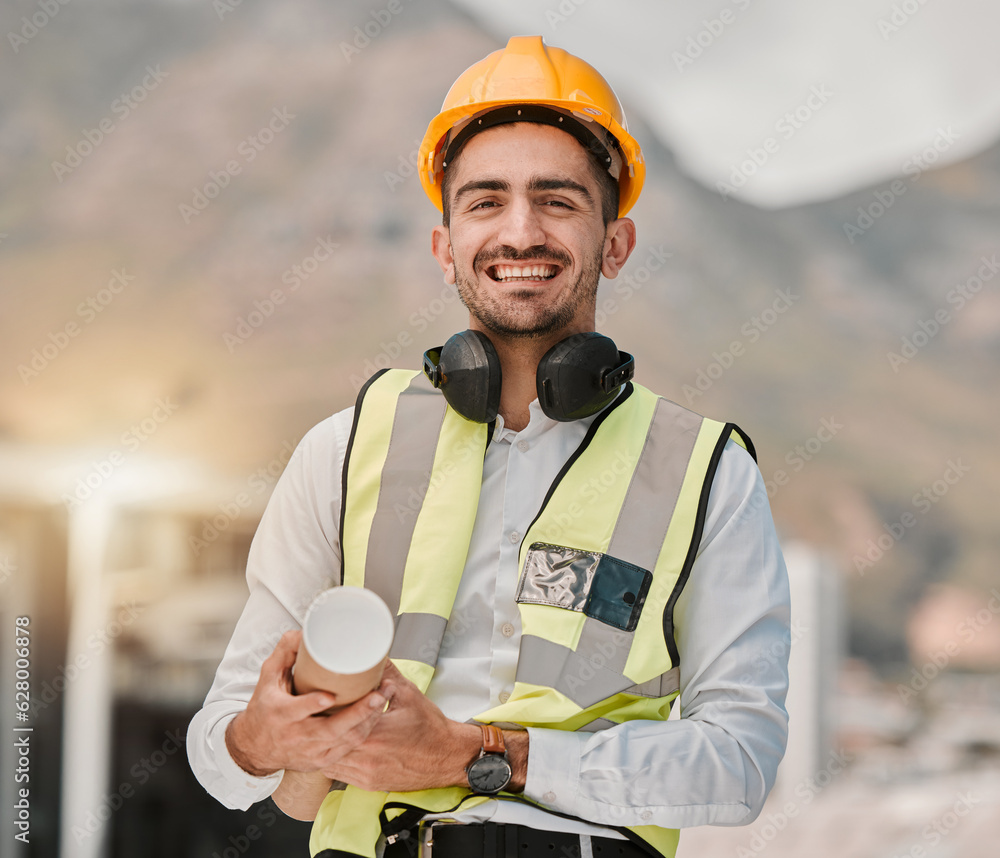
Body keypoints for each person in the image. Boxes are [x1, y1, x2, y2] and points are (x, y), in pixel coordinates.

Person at [188, 36, 790, 858]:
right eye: (484, 201)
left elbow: (740, 764)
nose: (520, 231)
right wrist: (263, 740)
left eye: (558, 200)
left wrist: (481, 756)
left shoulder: (707, 473)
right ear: (445, 250)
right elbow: (220, 754)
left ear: (616, 244)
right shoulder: (341, 452)